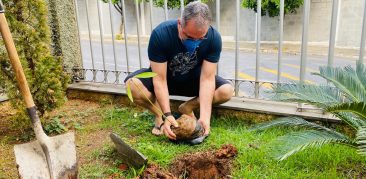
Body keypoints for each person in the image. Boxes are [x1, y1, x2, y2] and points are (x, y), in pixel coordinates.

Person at [125, 1, 233, 141]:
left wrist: (205, 117)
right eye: (189, 37)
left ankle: (187, 107)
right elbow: (159, 79)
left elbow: (207, 79)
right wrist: (167, 114)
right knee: (132, 86)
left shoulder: (213, 38)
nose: (195, 42)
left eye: (200, 38)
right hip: (166, 79)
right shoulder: (161, 34)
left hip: (194, 80)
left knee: (226, 91)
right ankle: (159, 116)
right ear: (179, 24)